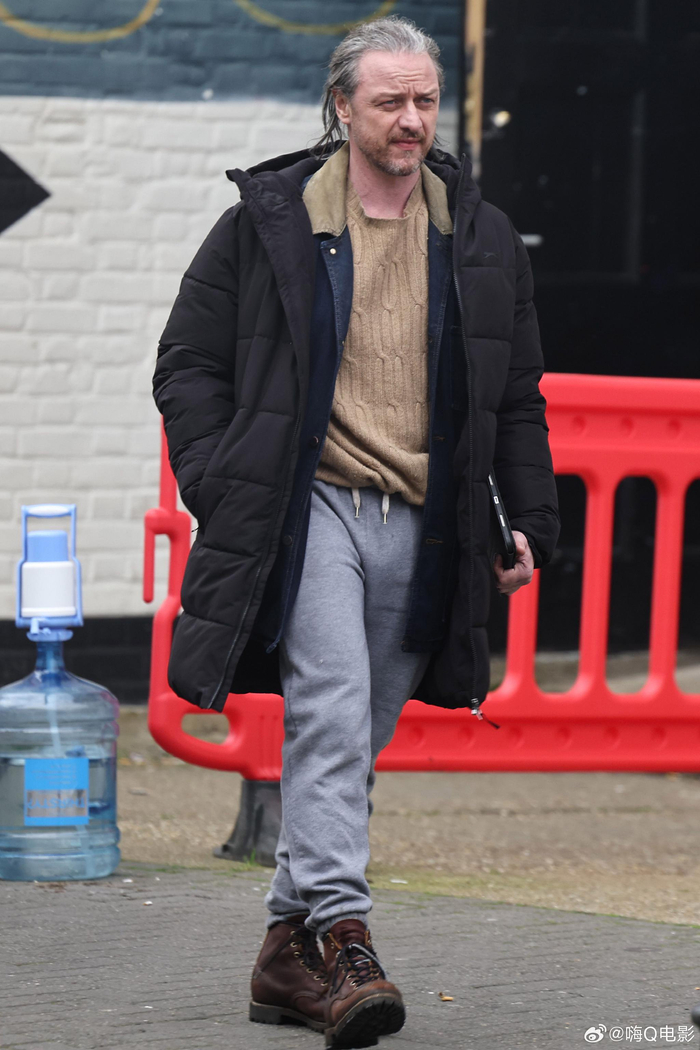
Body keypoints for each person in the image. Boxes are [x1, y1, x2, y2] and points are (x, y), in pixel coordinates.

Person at [152, 15, 559, 1049]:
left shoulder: (480, 236)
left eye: (425, 99)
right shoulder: (271, 223)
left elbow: (517, 395)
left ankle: (282, 952)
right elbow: (187, 362)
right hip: (313, 506)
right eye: (390, 101)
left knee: (356, 736)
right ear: (341, 105)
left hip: (428, 520)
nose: (412, 119)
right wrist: (222, 482)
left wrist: (529, 520)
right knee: (330, 711)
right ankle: (345, 934)